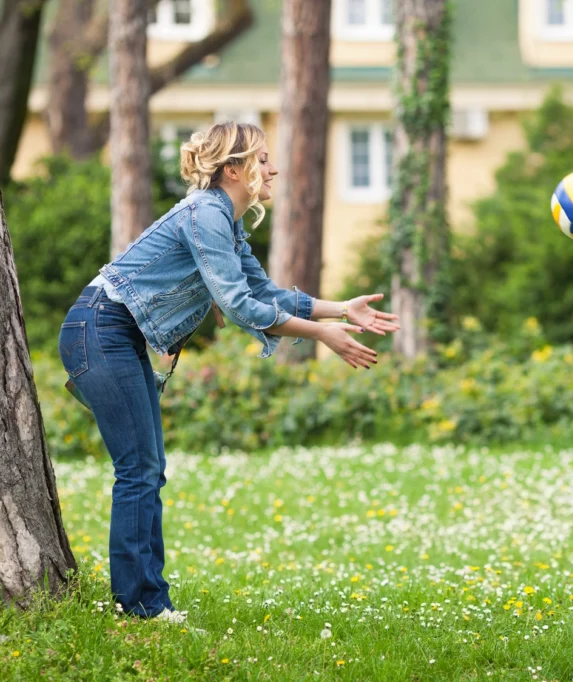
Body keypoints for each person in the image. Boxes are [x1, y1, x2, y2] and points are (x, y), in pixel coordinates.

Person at [58, 121, 399, 623]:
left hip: (113, 333)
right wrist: (321, 333)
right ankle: (140, 606)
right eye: (263, 159)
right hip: (99, 330)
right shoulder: (206, 214)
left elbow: (265, 294)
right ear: (234, 170)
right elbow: (240, 306)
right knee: (139, 470)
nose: (273, 169)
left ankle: (147, 600)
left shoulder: (225, 220)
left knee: (148, 470)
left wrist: (342, 309)